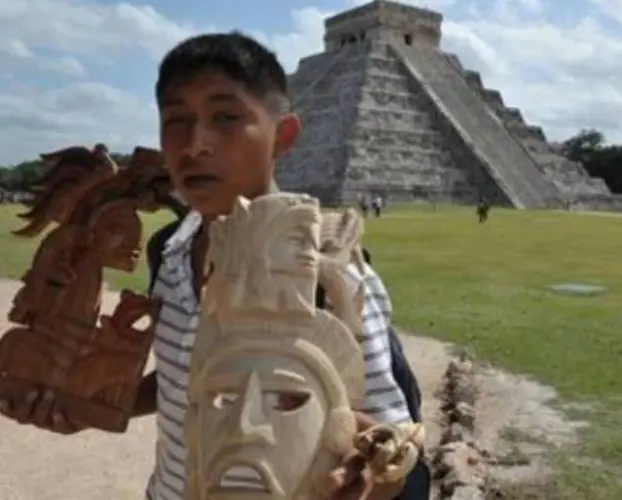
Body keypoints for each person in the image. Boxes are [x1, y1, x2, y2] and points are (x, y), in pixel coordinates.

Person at [0, 32, 419, 500]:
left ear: (283, 136)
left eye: (226, 117)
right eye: (176, 121)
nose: (195, 144)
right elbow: (185, 377)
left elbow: (394, 441)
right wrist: (85, 406)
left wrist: (371, 470)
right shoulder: (169, 250)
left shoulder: (329, 272)